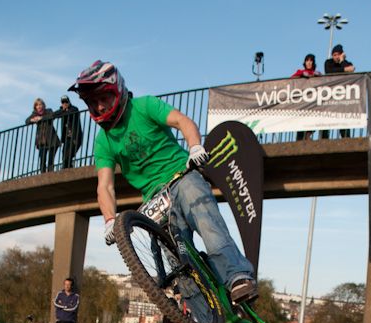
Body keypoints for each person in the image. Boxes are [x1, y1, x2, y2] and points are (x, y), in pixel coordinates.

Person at [68, 60, 257, 305]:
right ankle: (208, 319)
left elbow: (182, 121)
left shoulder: (144, 106)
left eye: (102, 98)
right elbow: (105, 186)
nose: (99, 106)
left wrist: (195, 146)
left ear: (116, 91)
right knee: (177, 263)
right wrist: (109, 220)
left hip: (181, 176)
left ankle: (237, 277)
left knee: (207, 222)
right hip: (155, 199)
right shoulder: (103, 141)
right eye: (92, 103)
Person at [324, 45, 356, 138]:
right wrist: (344, 70)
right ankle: (325, 139)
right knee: (327, 118)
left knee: (343, 120)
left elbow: (351, 70)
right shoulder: (328, 62)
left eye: (337, 55)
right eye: (334, 55)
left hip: (343, 96)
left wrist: (342, 61)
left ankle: (346, 138)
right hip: (330, 96)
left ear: (341, 54)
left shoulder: (346, 63)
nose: (335, 57)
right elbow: (329, 71)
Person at [290, 54, 322, 140]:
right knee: (301, 125)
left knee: (313, 122)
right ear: (304, 62)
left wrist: (317, 76)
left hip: (313, 101)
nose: (309, 62)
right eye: (307, 60)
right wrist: (302, 75)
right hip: (303, 102)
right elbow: (291, 79)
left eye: (311, 60)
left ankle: (307, 136)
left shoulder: (317, 73)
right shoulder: (300, 71)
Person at [25, 98, 61, 173]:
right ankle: (43, 174)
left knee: (51, 159)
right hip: (41, 141)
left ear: (43, 105)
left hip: (52, 139)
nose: (39, 106)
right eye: (37, 105)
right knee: (42, 159)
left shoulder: (48, 111)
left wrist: (41, 118)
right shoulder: (34, 114)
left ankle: (50, 174)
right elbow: (27, 121)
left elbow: (52, 116)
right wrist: (32, 120)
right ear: (35, 107)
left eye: (40, 104)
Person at [53, 95, 83, 168]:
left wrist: (63, 111)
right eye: (63, 102)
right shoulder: (61, 111)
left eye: (66, 101)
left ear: (69, 102)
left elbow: (68, 113)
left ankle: (68, 169)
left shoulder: (74, 109)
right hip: (67, 138)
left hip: (75, 136)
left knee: (69, 154)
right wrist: (62, 110)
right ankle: (67, 169)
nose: (64, 103)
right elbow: (54, 115)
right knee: (64, 156)